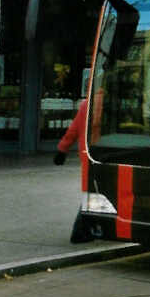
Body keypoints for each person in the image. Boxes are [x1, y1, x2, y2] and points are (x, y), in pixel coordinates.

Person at [56, 98, 92, 243]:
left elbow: (74, 128)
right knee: (95, 192)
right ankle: (80, 231)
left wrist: (62, 149)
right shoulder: (109, 101)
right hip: (104, 153)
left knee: (92, 190)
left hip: (87, 153)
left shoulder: (85, 104)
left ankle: (84, 230)